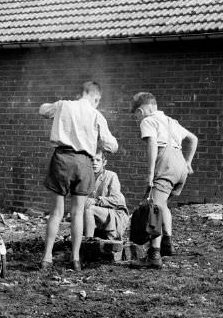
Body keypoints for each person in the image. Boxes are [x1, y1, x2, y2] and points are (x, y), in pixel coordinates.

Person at [39, 81, 118, 272]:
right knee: (77, 213)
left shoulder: (64, 105)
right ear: (96, 98)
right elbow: (111, 146)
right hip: (84, 163)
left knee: (56, 212)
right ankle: (75, 259)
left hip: (62, 159)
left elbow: (43, 110)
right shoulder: (96, 114)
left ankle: (47, 258)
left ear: (80, 93)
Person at [130, 91, 198, 269]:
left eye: (135, 116)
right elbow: (193, 139)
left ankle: (154, 255)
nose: (137, 120)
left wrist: (150, 173)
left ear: (140, 111)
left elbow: (152, 144)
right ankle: (167, 244)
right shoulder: (171, 121)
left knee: (155, 208)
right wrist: (188, 163)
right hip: (180, 167)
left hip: (165, 165)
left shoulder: (148, 120)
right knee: (164, 204)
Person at [83, 151, 129, 241]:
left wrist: (97, 200)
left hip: (114, 214)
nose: (94, 163)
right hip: (97, 213)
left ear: (104, 163)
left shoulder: (111, 176)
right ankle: (83, 239)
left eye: (98, 160)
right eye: (92, 160)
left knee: (89, 209)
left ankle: (88, 242)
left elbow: (116, 200)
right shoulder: (86, 177)